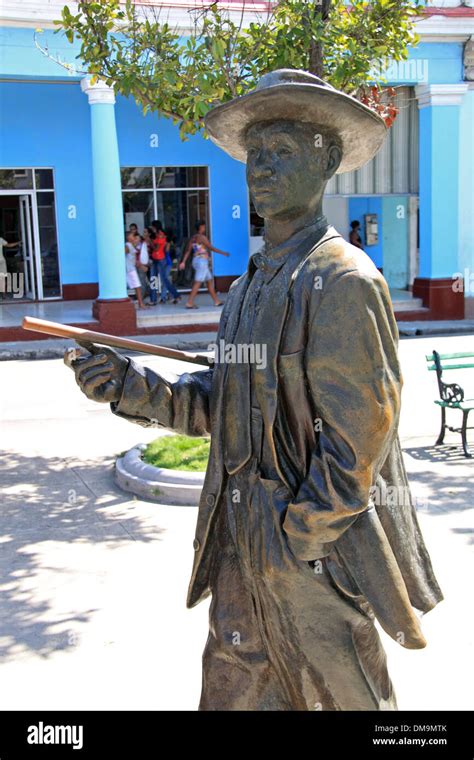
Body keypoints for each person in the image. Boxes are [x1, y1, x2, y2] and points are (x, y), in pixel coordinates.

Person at [65, 70, 442, 711]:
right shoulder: (246, 288)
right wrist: (128, 387)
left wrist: (299, 534)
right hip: (239, 540)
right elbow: (221, 403)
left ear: (325, 160)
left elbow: (360, 441)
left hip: (307, 552)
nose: (261, 168)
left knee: (342, 698)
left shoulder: (342, 280)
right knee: (234, 689)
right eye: (254, 155)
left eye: (282, 152)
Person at [179, 221, 230, 309]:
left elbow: (188, 251)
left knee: (209, 281)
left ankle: (216, 301)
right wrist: (223, 253)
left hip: (196, 261)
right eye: (203, 226)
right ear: (201, 227)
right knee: (198, 282)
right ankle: (190, 302)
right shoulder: (202, 237)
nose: (204, 228)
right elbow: (211, 248)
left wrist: (183, 261)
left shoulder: (193, 238)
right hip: (202, 262)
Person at [149, 220, 181, 305]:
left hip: (160, 259)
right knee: (153, 279)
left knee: (164, 280)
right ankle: (153, 299)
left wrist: (149, 241)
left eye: (152, 226)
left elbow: (156, 248)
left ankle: (176, 295)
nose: (151, 228)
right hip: (155, 259)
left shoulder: (160, 235)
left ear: (155, 227)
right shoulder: (156, 235)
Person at [125, 232, 146, 309]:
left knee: (136, 286)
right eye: (132, 236)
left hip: (130, 268)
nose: (134, 238)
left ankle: (140, 303)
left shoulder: (131, 246)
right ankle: (140, 304)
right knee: (137, 286)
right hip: (130, 269)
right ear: (128, 237)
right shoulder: (128, 245)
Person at [132, 231, 150, 302]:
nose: (137, 240)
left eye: (138, 238)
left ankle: (141, 297)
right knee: (138, 281)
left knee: (142, 281)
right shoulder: (133, 245)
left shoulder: (142, 245)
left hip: (141, 265)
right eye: (136, 238)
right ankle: (140, 296)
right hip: (136, 265)